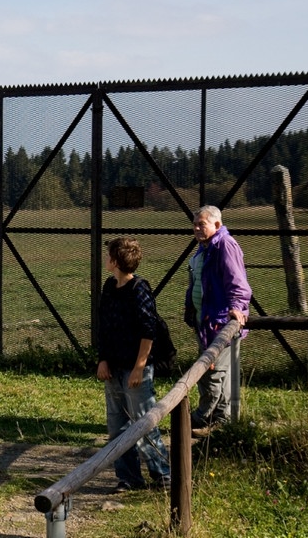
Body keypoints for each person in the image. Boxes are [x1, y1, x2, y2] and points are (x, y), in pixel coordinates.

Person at [96, 237, 172, 493]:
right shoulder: (109, 287)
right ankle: (128, 477)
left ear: (116, 261)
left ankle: (162, 474)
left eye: (109, 255)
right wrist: (102, 359)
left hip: (134, 368)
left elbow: (147, 330)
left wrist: (140, 367)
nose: (106, 259)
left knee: (143, 423)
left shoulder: (139, 288)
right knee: (117, 426)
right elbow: (104, 326)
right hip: (113, 366)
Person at [185, 205, 252, 438]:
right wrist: (190, 307)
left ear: (216, 224)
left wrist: (236, 307)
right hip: (205, 319)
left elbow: (237, 281)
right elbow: (196, 280)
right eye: (194, 224)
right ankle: (218, 419)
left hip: (220, 321)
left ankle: (209, 417)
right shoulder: (204, 248)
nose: (196, 228)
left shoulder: (225, 245)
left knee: (212, 371)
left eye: (201, 224)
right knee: (216, 371)